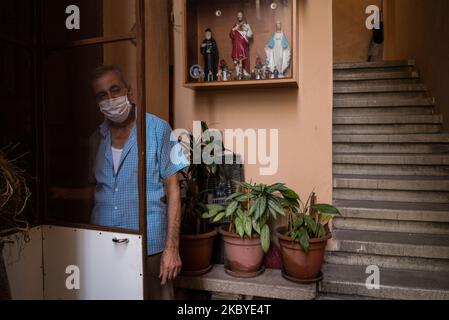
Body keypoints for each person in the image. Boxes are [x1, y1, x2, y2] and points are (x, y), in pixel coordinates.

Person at [52, 65, 189, 300]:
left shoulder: (158, 129)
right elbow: (98, 191)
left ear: (129, 91)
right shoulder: (96, 139)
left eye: (115, 90)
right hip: (104, 244)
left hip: (150, 247)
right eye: (102, 95)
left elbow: (174, 189)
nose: (110, 99)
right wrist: (60, 194)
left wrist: (172, 248)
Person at [230, 11, 253, 76]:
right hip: (236, 46)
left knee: (244, 58)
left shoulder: (246, 24)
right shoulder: (236, 25)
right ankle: (238, 73)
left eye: (240, 15)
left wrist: (246, 30)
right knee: (236, 59)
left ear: (242, 16)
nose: (239, 16)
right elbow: (231, 35)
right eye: (238, 15)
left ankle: (245, 71)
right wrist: (234, 29)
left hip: (243, 46)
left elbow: (250, 35)